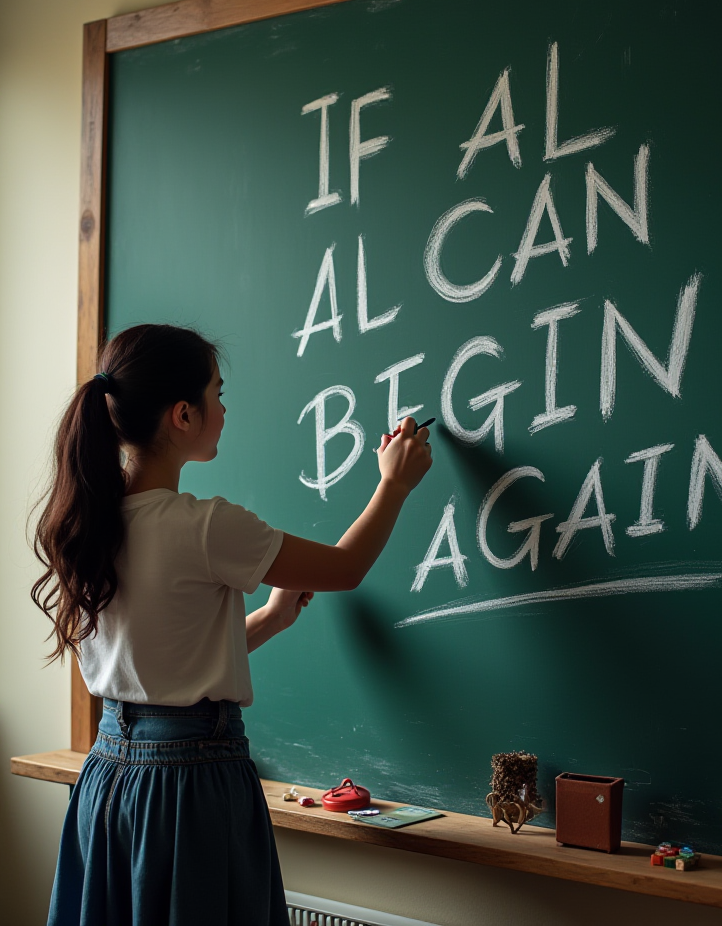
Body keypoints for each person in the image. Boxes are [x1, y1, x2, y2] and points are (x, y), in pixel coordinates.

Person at [32, 323, 432, 926]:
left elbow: (157, 666)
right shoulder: (206, 525)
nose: (225, 408)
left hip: (109, 775)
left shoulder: (87, 519)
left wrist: (269, 619)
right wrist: (393, 483)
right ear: (183, 415)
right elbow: (345, 568)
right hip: (188, 785)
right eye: (218, 394)